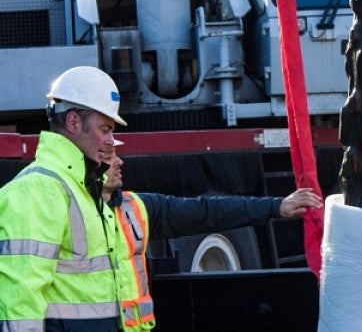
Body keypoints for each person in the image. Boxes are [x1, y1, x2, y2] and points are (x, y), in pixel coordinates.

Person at [101, 142, 323, 331]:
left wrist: (276, 207)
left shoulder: (135, 207)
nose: (120, 161)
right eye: (109, 156)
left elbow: (207, 212)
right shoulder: (73, 214)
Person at [0, 66, 126, 331]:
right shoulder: (39, 190)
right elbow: (21, 296)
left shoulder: (80, 187)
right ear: (73, 122)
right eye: (105, 129)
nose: (111, 141)